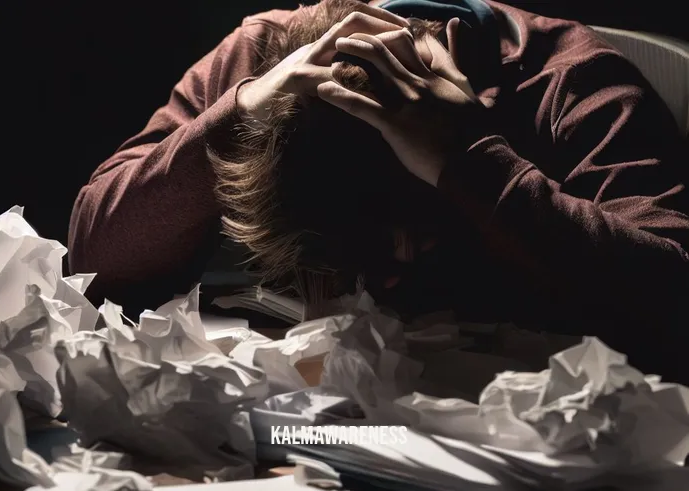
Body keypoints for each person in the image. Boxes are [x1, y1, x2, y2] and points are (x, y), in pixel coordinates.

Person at [69, 0, 689, 379]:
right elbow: (94, 258)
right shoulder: (260, 55)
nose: (387, 275)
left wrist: (469, 160)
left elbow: (671, 300)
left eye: (420, 231)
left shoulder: (571, 81)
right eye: (352, 240)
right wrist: (238, 115)